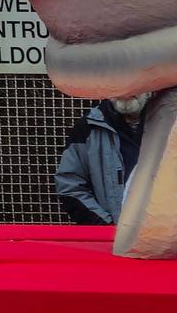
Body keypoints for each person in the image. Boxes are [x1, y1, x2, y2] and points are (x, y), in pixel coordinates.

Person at [57, 96, 149, 225]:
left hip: (167, 237)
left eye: (133, 79)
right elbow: (70, 185)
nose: (126, 89)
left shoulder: (175, 123)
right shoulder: (88, 127)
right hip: (108, 237)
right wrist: (104, 225)